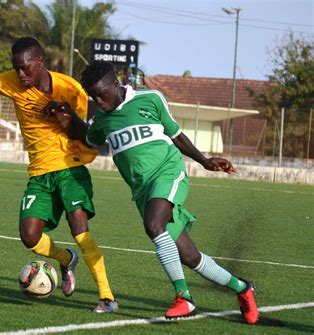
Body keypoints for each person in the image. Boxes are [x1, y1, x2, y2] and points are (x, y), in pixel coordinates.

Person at [47, 61, 259, 324]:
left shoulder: (150, 99)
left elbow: (177, 135)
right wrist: (68, 119)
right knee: (190, 256)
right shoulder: (102, 120)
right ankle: (243, 288)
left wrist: (204, 161)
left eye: (102, 93)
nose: (98, 100)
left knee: (153, 225)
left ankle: (184, 297)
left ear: (116, 83)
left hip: (168, 173)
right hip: (142, 191)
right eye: (93, 96)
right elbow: (89, 136)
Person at [0, 32, 118, 313]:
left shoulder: (70, 88)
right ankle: (65, 258)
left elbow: (86, 136)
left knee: (79, 227)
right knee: (29, 237)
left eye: (26, 68)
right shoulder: (12, 82)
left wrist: (66, 118)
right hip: (39, 173)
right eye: (17, 69)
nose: (21, 74)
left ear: (40, 61)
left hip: (71, 168)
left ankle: (106, 296)